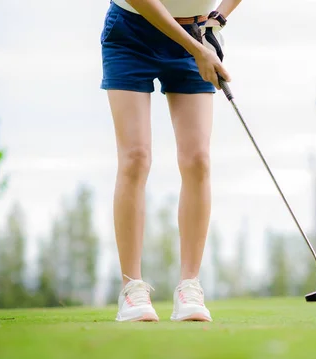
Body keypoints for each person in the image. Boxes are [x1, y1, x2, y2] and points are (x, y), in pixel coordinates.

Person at [100, 0, 243, 322]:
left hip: (196, 35)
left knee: (198, 160)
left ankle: (189, 286)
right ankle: (132, 288)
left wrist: (219, 18)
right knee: (135, 158)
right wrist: (195, 47)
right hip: (131, 32)